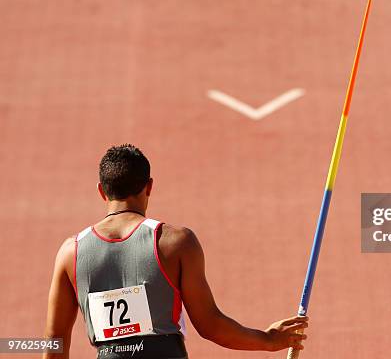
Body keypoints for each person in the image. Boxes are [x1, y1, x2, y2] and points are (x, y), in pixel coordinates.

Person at [43, 144, 307, 358]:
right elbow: (210, 325)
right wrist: (269, 340)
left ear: (102, 191)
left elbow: (54, 341)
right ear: (149, 186)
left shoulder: (71, 252)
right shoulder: (174, 242)